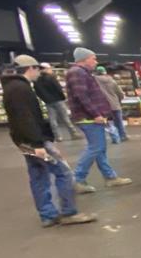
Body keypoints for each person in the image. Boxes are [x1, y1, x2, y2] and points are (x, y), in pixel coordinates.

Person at [1, 55, 96, 227]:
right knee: (63, 172)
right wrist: (39, 144)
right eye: (38, 69)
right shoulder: (21, 89)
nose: (40, 73)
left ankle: (47, 215)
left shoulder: (12, 87)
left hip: (24, 142)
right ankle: (68, 212)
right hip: (34, 143)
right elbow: (26, 119)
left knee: (38, 176)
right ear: (31, 68)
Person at [65, 47, 132, 192]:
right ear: (84, 59)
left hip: (91, 117)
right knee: (95, 147)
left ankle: (110, 177)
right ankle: (78, 179)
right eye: (93, 58)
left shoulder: (83, 73)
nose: (96, 61)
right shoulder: (77, 73)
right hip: (88, 118)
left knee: (100, 149)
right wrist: (96, 114)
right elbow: (81, 96)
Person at [34, 64, 80, 141]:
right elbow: (58, 88)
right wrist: (63, 97)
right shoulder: (51, 78)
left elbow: (37, 92)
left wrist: (45, 99)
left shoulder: (36, 80)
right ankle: (73, 133)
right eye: (49, 68)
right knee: (65, 117)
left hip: (48, 102)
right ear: (46, 69)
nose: (51, 70)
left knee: (52, 119)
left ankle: (58, 136)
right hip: (58, 100)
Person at [94, 65, 128, 143]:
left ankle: (114, 137)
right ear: (104, 72)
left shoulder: (94, 82)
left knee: (109, 123)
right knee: (119, 121)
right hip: (115, 104)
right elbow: (120, 93)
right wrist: (119, 100)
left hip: (103, 106)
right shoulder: (112, 81)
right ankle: (122, 136)